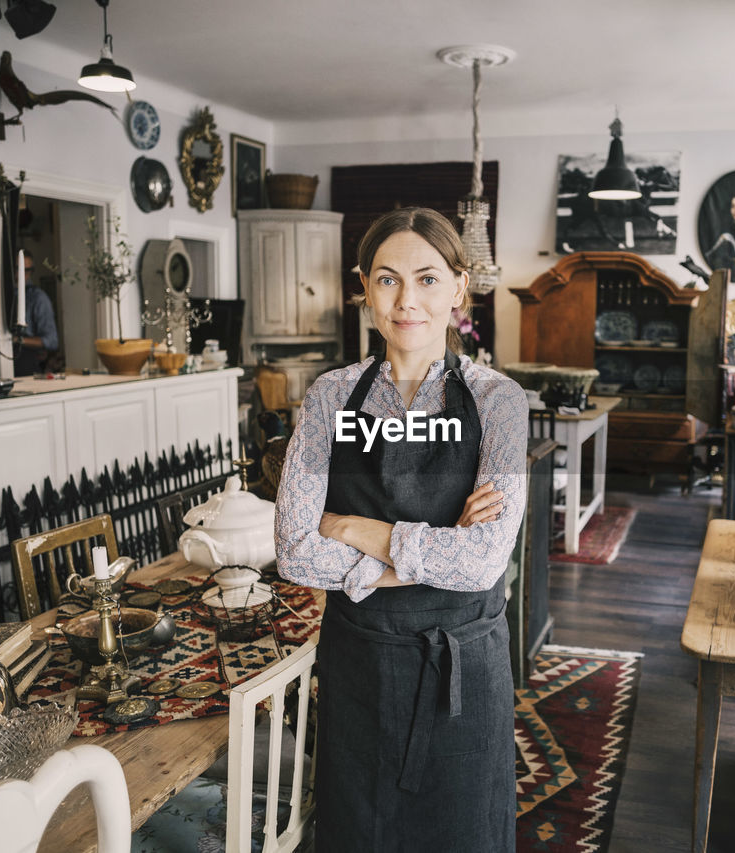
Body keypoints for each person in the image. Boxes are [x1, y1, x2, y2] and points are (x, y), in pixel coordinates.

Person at [275, 207, 527, 851]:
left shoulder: (498, 401)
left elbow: (482, 564)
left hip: (462, 668)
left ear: (458, 287)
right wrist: (432, 544)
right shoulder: (331, 398)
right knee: (362, 832)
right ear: (364, 288)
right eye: (387, 280)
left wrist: (355, 527)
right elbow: (297, 554)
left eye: (427, 278)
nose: (407, 300)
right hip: (362, 662)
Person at [14, 252, 59, 376]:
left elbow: (51, 341)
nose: (21, 274)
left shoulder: (38, 297)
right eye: (17, 269)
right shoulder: (3, 294)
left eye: (27, 270)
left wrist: (17, 340)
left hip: (27, 360)